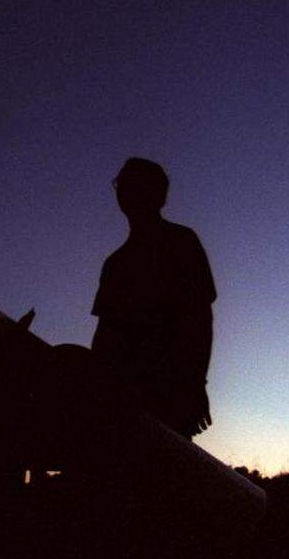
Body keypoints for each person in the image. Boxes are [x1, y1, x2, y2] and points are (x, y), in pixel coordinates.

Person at [91, 157, 216, 439]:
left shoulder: (182, 243)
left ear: (158, 195)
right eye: (121, 185)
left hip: (170, 394)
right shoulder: (115, 264)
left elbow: (199, 319)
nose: (124, 192)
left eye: (133, 185)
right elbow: (104, 337)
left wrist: (195, 384)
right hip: (120, 399)